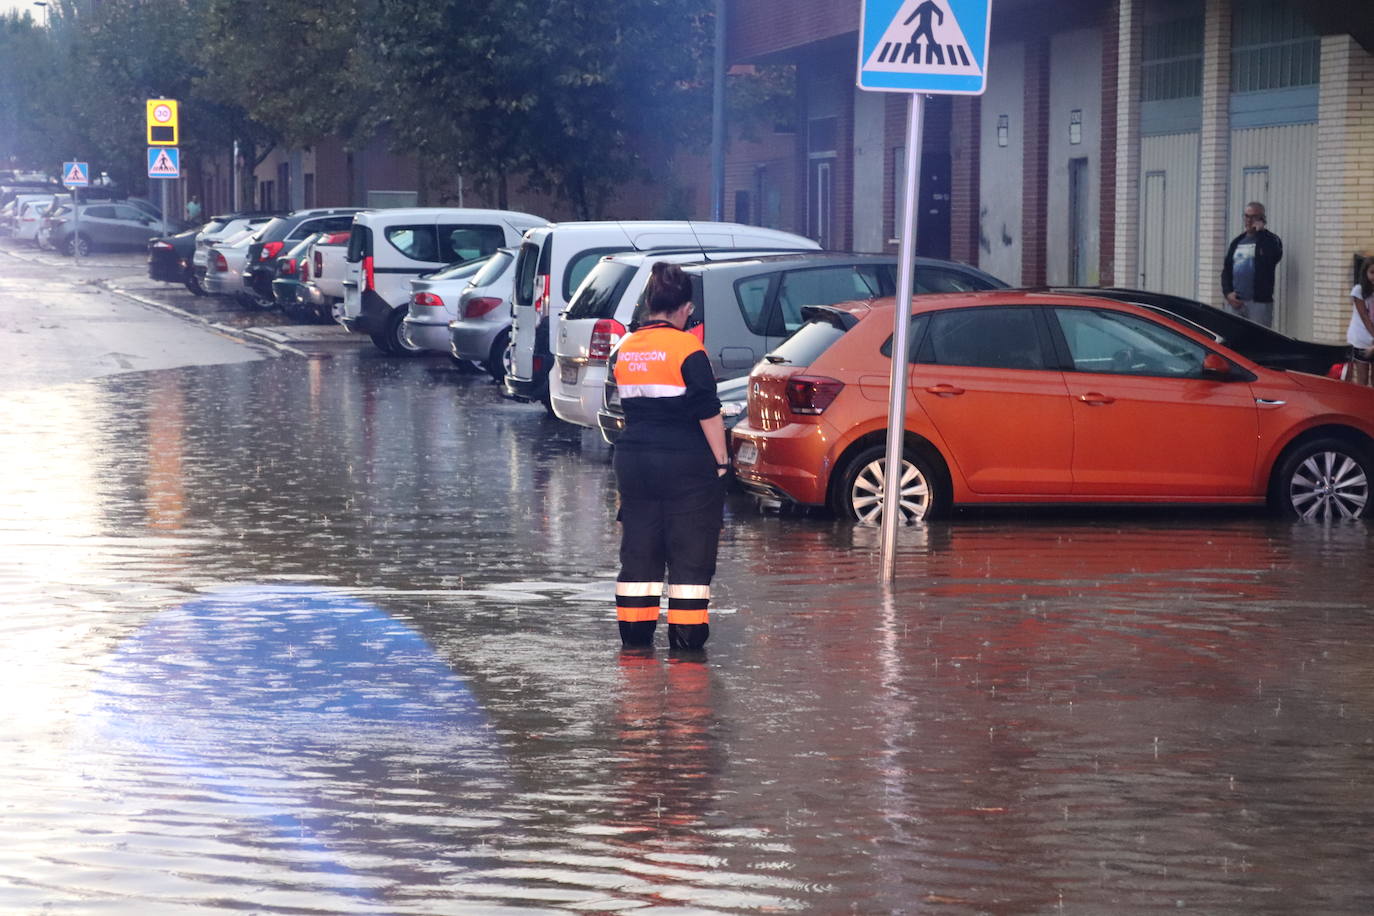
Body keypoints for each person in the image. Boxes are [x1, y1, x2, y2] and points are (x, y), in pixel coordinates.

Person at [610, 262, 729, 652]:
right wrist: (723, 463)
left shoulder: (624, 348)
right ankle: (687, 650)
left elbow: (620, 406)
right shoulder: (689, 349)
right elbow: (708, 412)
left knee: (640, 548)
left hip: (633, 463)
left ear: (648, 303)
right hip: (685, 465)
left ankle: (635, 645)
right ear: (686, 308)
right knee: (690, 552)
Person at [1221, 201, 1283, 328]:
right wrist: (1228, 293)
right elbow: (1226, 270)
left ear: (1262, 219)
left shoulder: (1271, 240)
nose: (1249, 220)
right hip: (1236, 302)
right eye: (1246, 216)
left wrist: (1261, 234)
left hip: (1259, 304)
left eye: (1253, 217)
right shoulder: (1237, 242)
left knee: (1259, 339)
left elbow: (1272, 258)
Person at [1348, 257, 1374, 386]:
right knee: (1362, 381)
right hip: (1361, 338)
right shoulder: (1359, 290)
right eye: (1372, 272)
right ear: (1365, 273)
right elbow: (1365, 317)